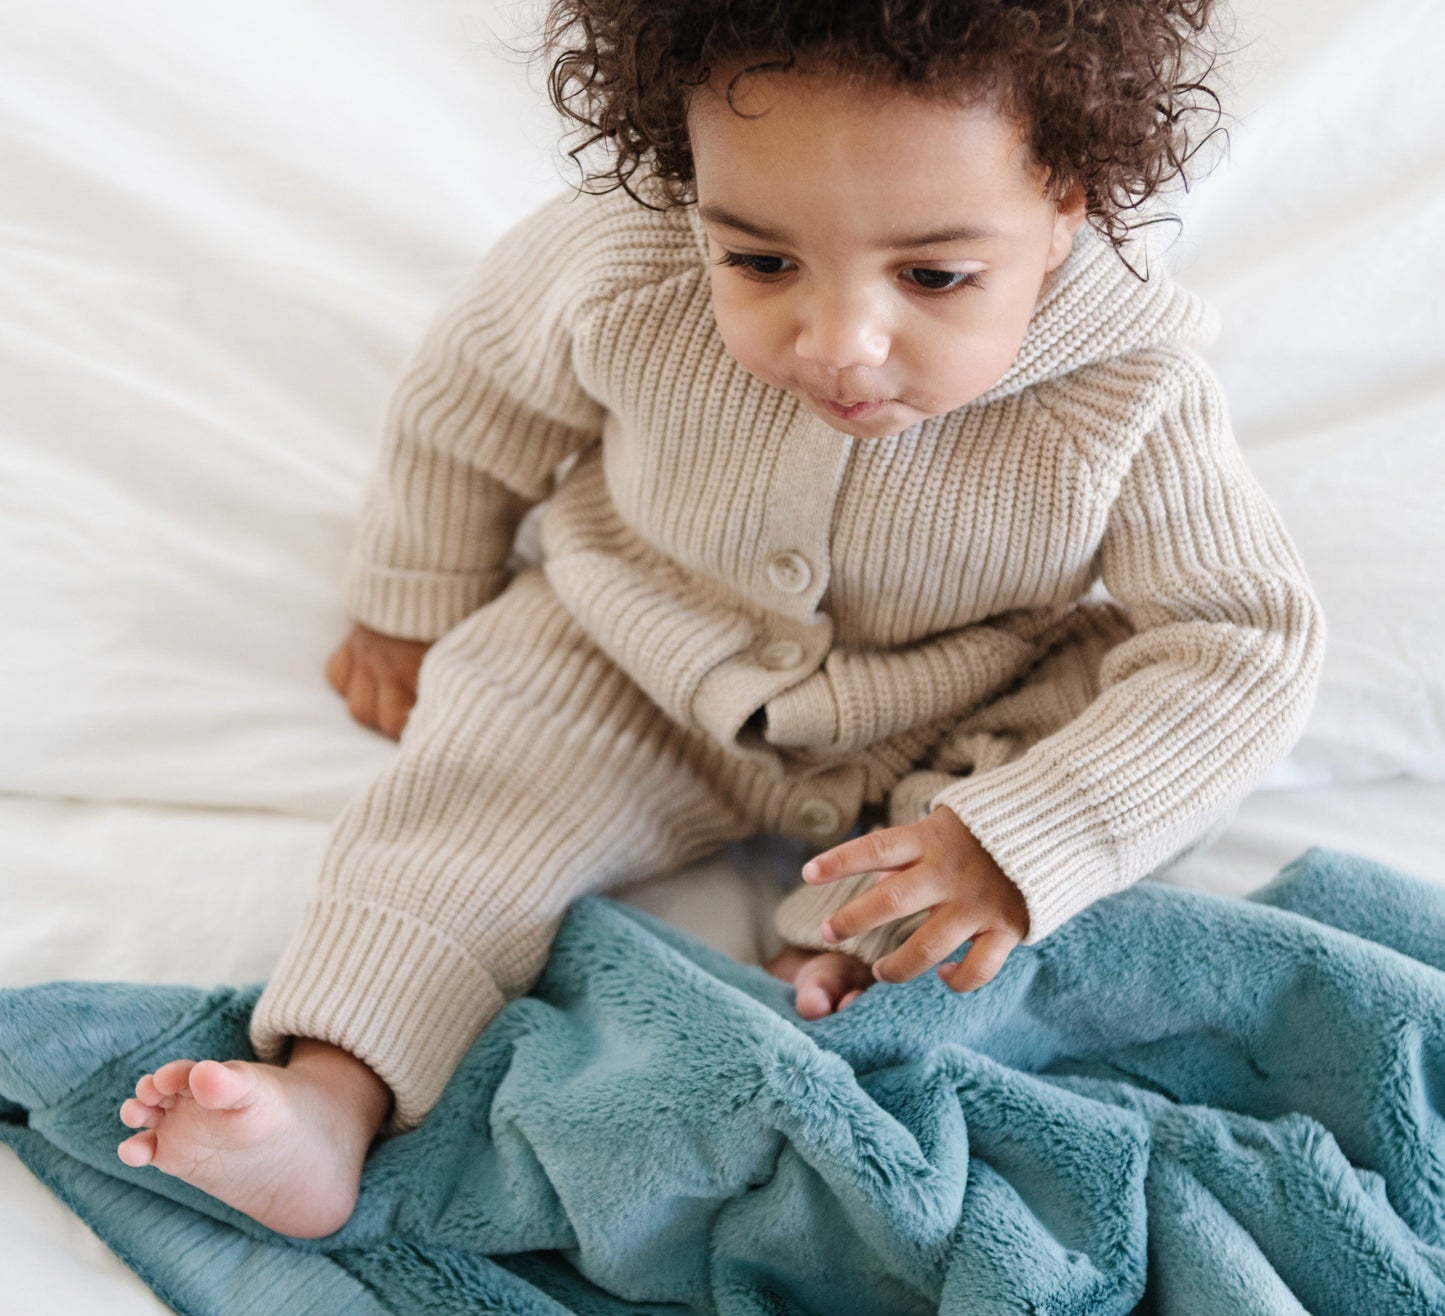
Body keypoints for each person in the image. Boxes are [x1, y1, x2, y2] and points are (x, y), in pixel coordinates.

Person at [116, 0, 1324, 1238]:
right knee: (460, 808)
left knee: (1037, 840)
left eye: (933, 276)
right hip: (633, 653)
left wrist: (1020, 838)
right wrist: (409, 601)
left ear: (1065, 197)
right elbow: (469, 403)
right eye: (758, 260)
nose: (840, 343)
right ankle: (329, 1094)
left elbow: (1244, 642)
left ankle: (845, 976)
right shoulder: (617, 269)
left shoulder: (1129, 387)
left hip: (953, 707)